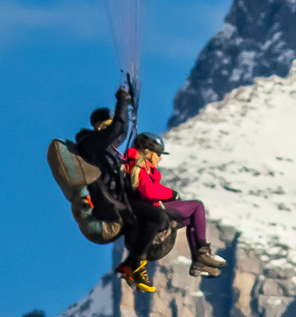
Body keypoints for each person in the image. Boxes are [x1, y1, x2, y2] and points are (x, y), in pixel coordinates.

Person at [120, 133, 223, 283]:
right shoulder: (138, 165)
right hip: (153, 209)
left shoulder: (137, 165)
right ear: (148, 152)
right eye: (158, 154)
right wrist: (171, 194)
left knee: (190, 218)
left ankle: (199, 259)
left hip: (150, 209)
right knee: (197, 207)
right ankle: (200, 256)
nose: (160, 158)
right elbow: (148, 191)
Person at [71, 83, 133, 225]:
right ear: (99, 127)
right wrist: (122, 100)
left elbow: (121, 131)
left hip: (116, 196)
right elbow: (116, 130)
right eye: (106, 126)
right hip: (105, 201)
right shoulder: (90, 144)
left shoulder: (106, 147)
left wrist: (126, 106)